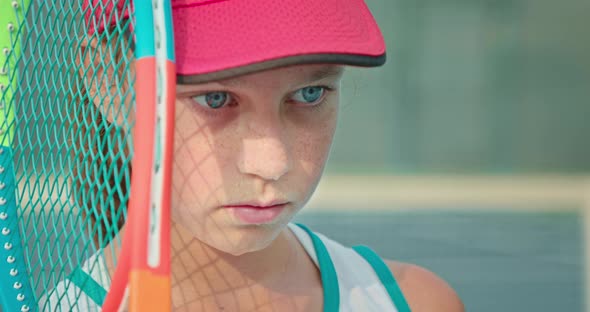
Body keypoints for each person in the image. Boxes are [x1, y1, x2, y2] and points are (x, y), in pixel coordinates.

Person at [44, 0, 465, 311]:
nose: (271, 162)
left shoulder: (418, 302)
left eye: (309, 94)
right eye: (215, 98)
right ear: (109, 82)